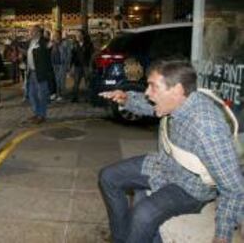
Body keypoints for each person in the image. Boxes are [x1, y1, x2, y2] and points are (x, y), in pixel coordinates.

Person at [98, 60, 244, 243]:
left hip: (191, 188)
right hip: (166, 165)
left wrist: (222, 236)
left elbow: (234, 188)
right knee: (108, 177)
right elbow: (149, 106)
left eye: (153, 87)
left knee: (143, 214)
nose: (147, 92)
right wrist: (127, 99)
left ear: (177, 90)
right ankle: (121, 238)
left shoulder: (207, 128)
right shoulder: (177, 101)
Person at [26, 24, 53, 124]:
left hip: (40, 73)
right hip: (31, 72)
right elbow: (30, 55)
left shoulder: (43, 42)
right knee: (31, 94)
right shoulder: (31, 42)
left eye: (32, 31)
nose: (30, 33)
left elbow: (48, 49)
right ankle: (37, 113)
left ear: (37, 32)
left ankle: (42, 115)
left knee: (42, 95)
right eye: (30, 31)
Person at [70, 29, 93, 102]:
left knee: (88, 82)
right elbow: (72, 56)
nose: (78, 36)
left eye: (79, 34)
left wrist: (90, 65)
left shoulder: (88, 44)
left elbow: (91, 55)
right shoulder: (74, 44)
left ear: (83, 35)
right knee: (76, 82)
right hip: (77, 65)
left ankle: (88, 97)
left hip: (86, 65)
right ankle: (75, 97)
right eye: (77, 35)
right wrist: (71, 66)